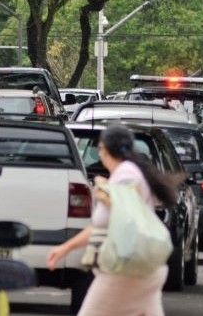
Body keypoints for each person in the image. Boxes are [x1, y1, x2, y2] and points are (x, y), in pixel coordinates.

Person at [46, 125, 180, 316]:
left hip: (125, 269)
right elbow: (104, 225)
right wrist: (65, 248)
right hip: (143, 268)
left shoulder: (125, 174)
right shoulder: (131, 172)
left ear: (104, 149)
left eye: (99, 148)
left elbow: (126, 211)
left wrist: (104, 192)